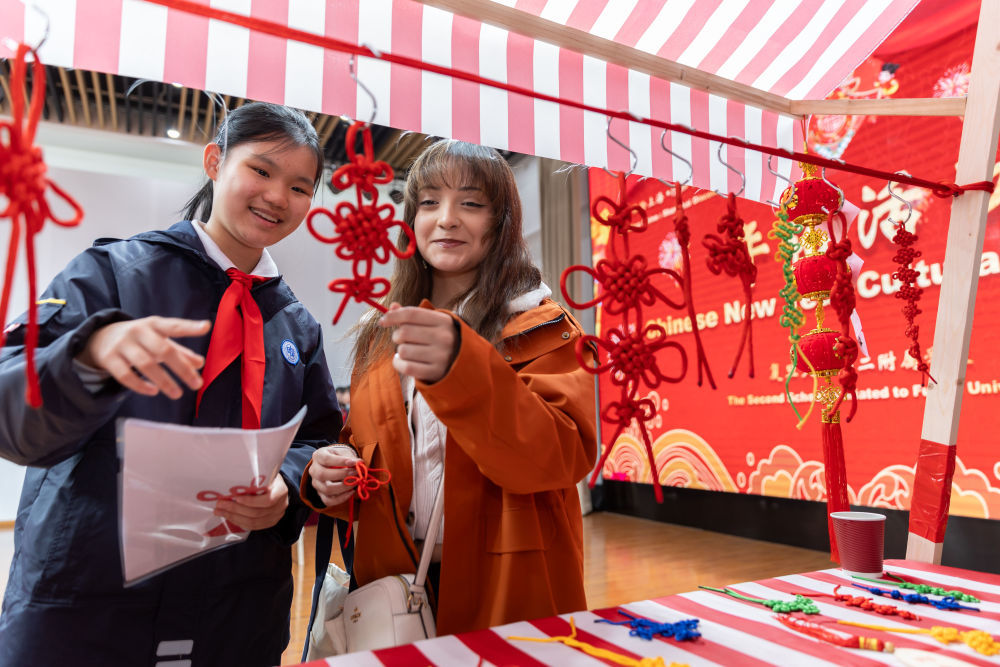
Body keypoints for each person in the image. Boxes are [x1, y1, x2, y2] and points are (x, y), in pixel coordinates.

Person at [0, 102, 343, 666]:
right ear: (215, 162)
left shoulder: (296, 326)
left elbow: (316, 438)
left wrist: (288, 484)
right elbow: (16, 417)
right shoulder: (111, 274)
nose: (279, 197)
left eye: (301, 187)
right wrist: (85, 355)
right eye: (260, 170)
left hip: (236, 616)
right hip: (89, 611)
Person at [303, 140, 597, 637]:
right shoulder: (381, 334)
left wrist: (461, 368)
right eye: (430, 201)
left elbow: (560, 455)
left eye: (472, 203)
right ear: (411, 219)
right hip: (391, 585)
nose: (447, 219)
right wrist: (331, 477)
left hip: (507, 584)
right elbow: (369, 454)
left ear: (501, 222)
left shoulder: (542, 326)